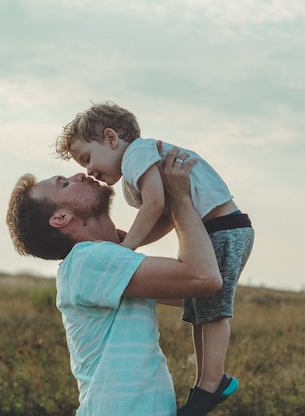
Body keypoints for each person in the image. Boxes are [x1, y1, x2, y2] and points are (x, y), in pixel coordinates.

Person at [55, 102, 254, 415]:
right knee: (201, 309)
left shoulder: (137, 155)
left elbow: (155, 206)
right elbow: (164, 217)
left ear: (110, 138)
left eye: (87, 158)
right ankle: (205, 382)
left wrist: (127, 246)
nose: (88, 171)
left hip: (223, 228)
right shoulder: (136, 172)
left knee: (213, 308)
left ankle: (211, 381)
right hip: (215, 228)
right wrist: (131, 242)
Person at [6, 148, 228, 415]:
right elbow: (204, 279)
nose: (79, 174)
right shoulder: (87, 260)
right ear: (61, 218)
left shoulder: (104, 265)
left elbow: (204, 293)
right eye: (64, 184)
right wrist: (180, 199)